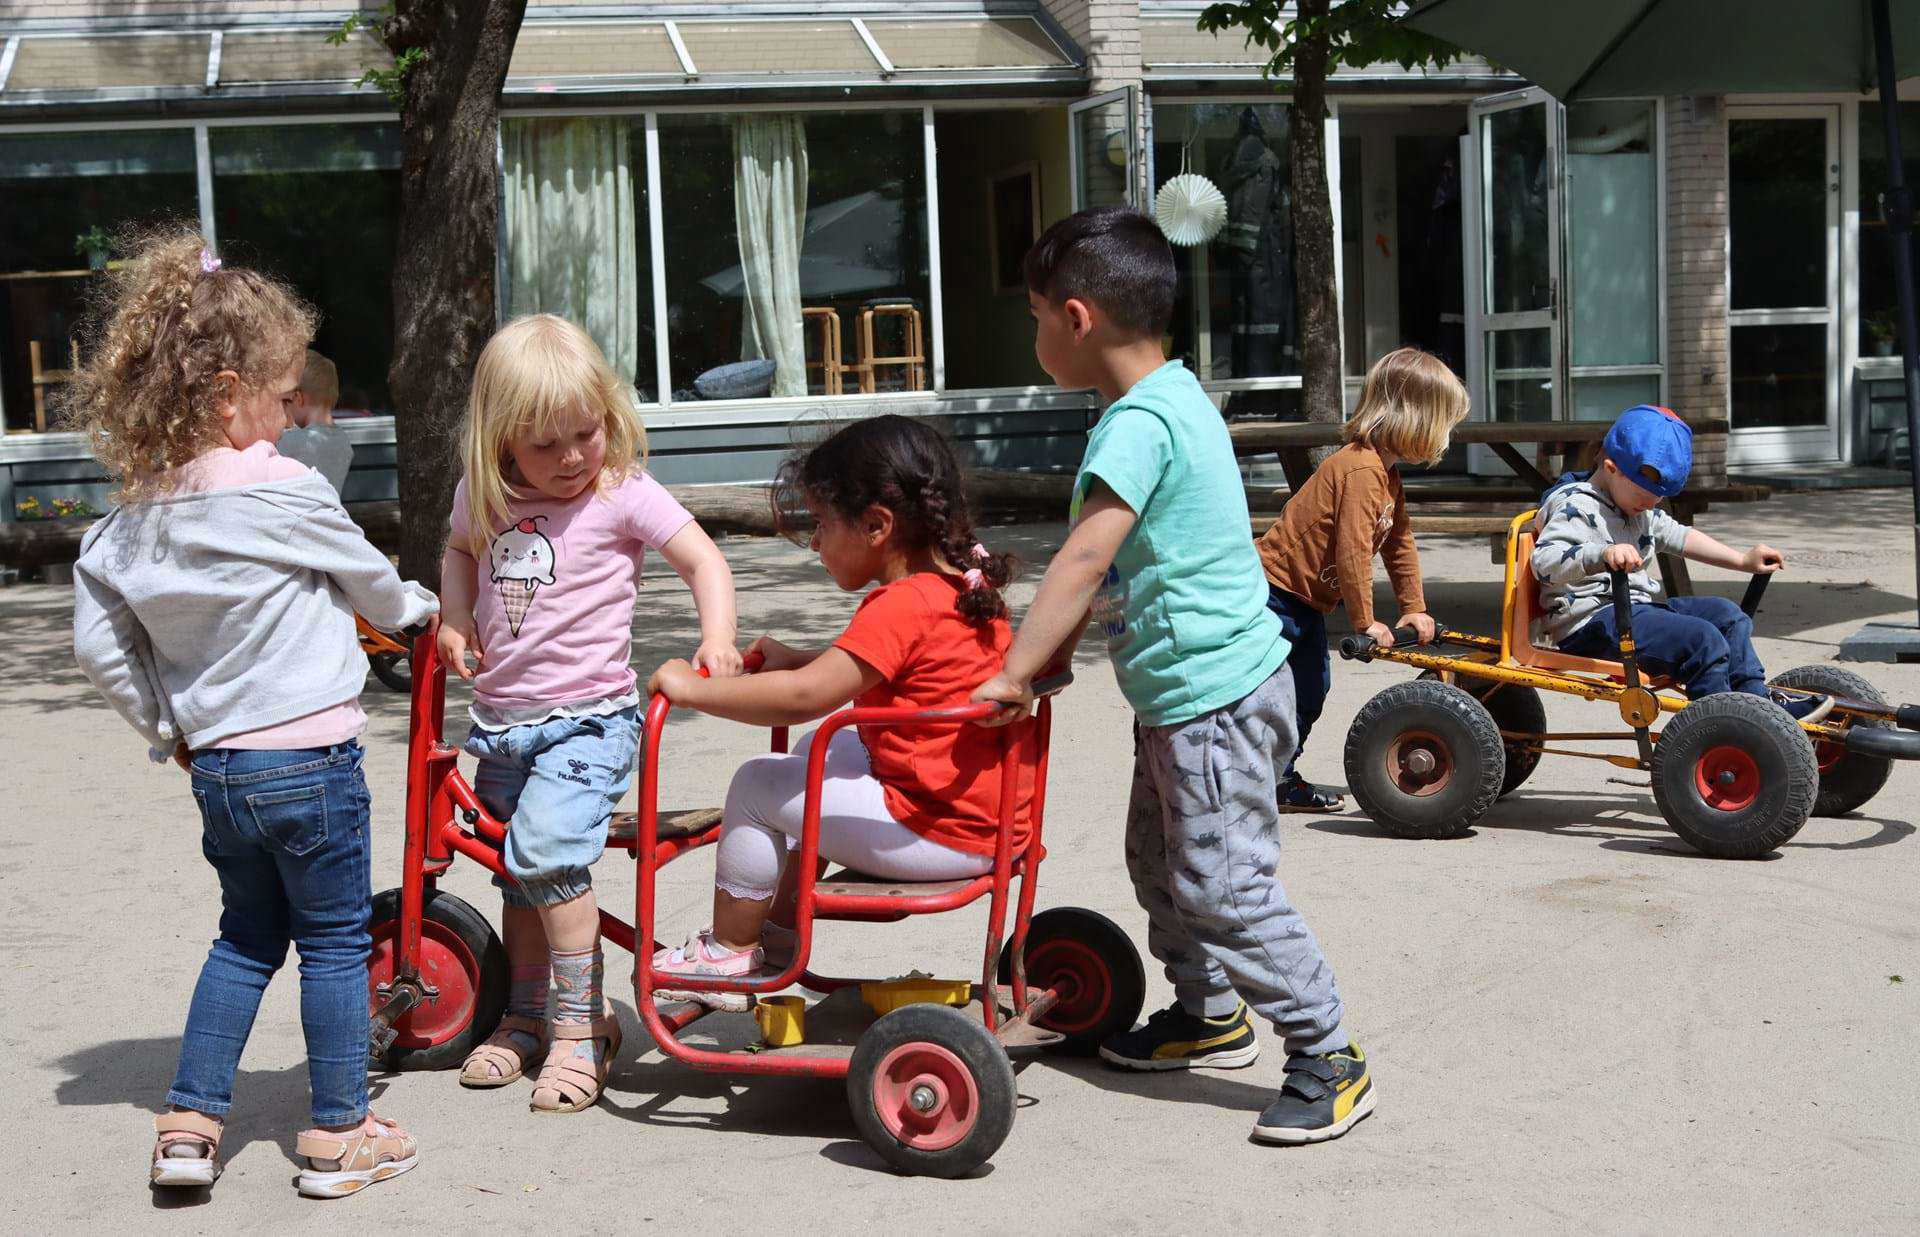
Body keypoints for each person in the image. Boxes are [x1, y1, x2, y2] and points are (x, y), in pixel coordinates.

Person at [973, 205, 1374, 1146]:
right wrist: (1063, 658)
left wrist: (1014, 671)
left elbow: (1083, 559)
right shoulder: (1172, 398)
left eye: (1035, 316)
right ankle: (1209, 1013)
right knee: (1163, 867)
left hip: (1216, 701)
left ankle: (1330, 1052)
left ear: (1076, 318)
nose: (1035, 335)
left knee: (1224, 886)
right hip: (1187, 695)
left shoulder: (1136, 426)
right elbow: (1135, 566)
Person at [69, 229, 437, 1198]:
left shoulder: (131, 515)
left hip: (221, 770)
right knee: (331, 941)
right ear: (228, 395)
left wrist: (169, 728)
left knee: (243, 937)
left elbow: (99, 646)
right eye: (277, 401)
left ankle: (188, 1124)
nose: (285, 422)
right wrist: (418, 612)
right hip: (312, 762)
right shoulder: (284, 489)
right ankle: (338, 1131)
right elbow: (370, 583)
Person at [437, 313, 741, 1113]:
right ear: (502, 439)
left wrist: (717, 637)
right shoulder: (486, 492)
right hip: (504, 722)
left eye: (588, 431)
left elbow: (702, 556)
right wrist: (455, 616)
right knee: (516, 869)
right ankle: (527, 1012)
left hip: (590, 721)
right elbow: (461, 551)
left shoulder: (620, 490)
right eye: (548, 443)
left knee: (544, 854)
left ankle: (582, 1024)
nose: (574, 456)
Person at [646, 414, 1024, 1006]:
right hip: (987, 822)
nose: (816, 544)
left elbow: (807, 696)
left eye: (821, 525)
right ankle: (779, 928)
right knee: (825, 748)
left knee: (756, 783)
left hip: (937, 831)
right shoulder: (959, 588)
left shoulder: (900, 604)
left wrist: (691, 690)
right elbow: (890, 666)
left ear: (876, 526)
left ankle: (729, 949)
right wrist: (799, 656)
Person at [1255, 347, 1467, 812]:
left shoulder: (1387, 476)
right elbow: (1351, 551)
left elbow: (1399, 542)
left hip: (1306, 601)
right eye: (1442, 424)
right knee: (1268, 694)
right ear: (1413, 417)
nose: (1444, 437)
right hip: (1270, 595)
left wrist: (1414, 606)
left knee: (1310, 689)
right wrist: (1365, 621)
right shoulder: (1359, 469)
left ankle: (1276, 780)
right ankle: (1252, 780)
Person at [1531, 403, 1834, 721]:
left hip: (1630, 613)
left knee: (1727, 616)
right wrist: (1601, 554)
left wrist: (1742, 560)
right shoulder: (1573, 506)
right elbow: (1545, 563)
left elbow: (1680, 536)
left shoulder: (1635, 506)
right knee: (1701, 640)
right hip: (1590, 625)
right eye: (1643, 496)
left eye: (1656, 499)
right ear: (1611, 468)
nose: (1649, 505)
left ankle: (1756, 706)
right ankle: (1722, 726)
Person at [276, 349, 353, 493]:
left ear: (298, 398)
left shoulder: (296, 440)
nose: (285, 407)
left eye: (287, 401)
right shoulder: (343, 441)